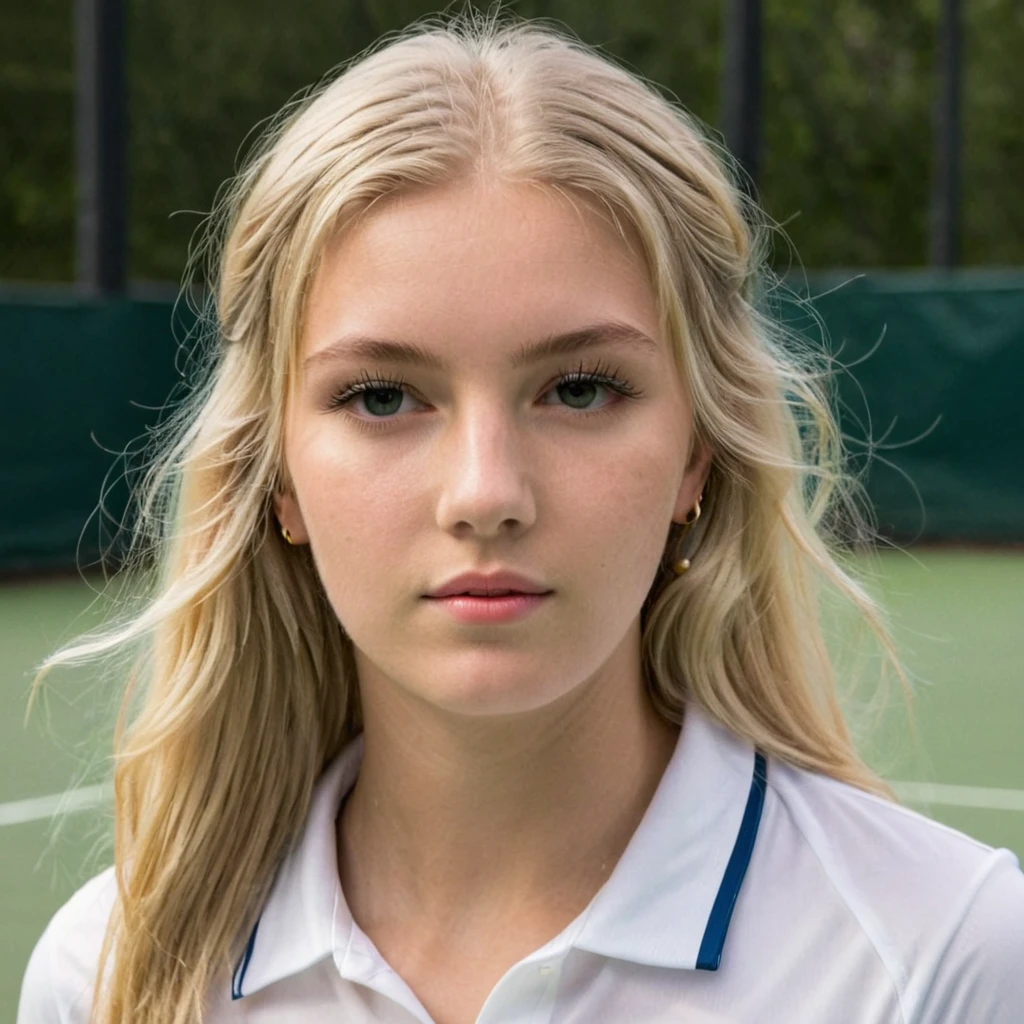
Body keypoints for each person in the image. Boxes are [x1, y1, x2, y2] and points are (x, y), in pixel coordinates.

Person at [17, 9, 1024, 1024]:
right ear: (278, 477)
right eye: (380, 396)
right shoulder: (110, 977)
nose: (485, 493)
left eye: (580, 389)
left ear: (696, 453)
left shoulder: (939, 955)